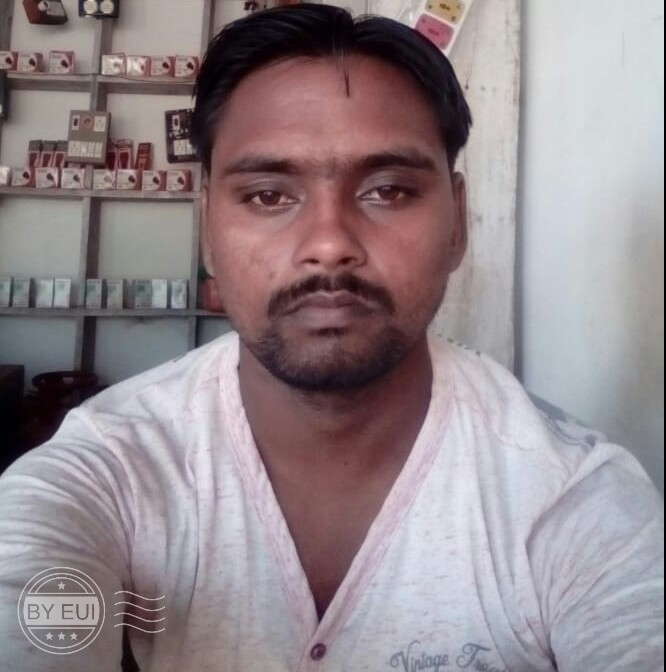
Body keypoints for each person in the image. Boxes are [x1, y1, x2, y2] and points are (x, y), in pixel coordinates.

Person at [0, 4, 663, 671]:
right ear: (207, 231)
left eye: (388, 190)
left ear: (458, 223)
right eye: (268, 195)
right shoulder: (108, 471)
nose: (328, 244)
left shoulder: (574, 500)